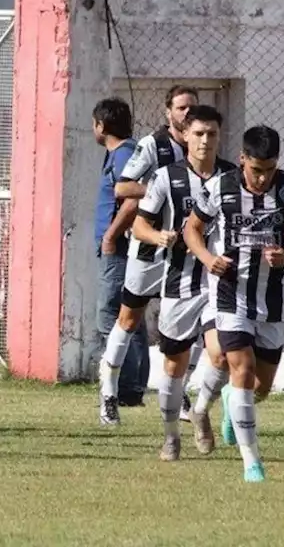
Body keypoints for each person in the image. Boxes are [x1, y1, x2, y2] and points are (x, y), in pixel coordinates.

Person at [182, 125, 284, 483]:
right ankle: (251, 462)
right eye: (256, 170)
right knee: (239, 366)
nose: (262, 177)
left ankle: (229, 401)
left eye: (269, 169)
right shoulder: (220, 188)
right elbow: (191, 229)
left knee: (262, 387)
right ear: (242, 160)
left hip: (270, 297)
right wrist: (208, 259)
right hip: (229, 294)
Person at [129, 105, 235, 461]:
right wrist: (158, 236)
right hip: (179, 283)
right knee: (173, 366)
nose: (206, 140)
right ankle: (171, 435)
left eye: (212, 134)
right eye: (199, 133)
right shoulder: (165, 177)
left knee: (220, 354)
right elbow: (139, 224)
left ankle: (202, 409)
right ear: (185, 135)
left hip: (220, 283)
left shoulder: (233, 178)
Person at [106, 86, 198, 409]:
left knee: (189, 328)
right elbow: (122, 187)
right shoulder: (152, 145)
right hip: (148, 249)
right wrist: (159, 189)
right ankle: (109, 393)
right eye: (181, 107)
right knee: (129, 321)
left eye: (192, 107)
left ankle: (177, 390)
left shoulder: (202, 148)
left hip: (186, 256)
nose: (187, 113)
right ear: (168, 112)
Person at [90, 97, 136, 426]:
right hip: (115, 246)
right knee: (126, 314)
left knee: (111, 315)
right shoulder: (117, 154)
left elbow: (131, 198)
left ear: (101, 126)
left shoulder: (123, 155)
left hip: (118, 248)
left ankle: (120, 386)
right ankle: (128, 386)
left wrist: (110, 236)